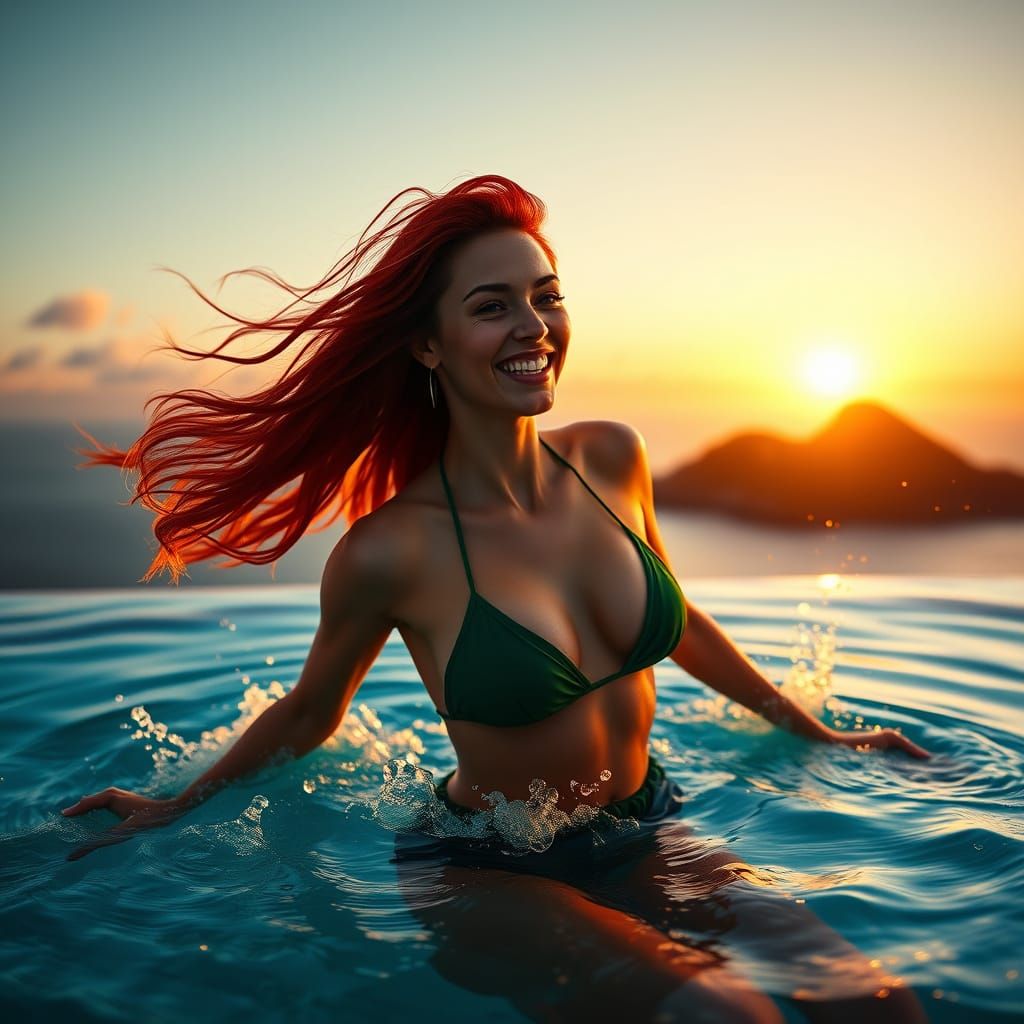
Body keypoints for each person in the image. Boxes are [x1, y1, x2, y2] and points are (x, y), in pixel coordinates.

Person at [62, 175, 931, 1022]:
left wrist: (816, 732)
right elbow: (308, 714)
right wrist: (176, 806)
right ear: (426, 344)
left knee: (873, 1002)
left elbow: (684, 625)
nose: (534, 327)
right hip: (487, 868)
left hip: (644, 826)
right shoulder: (391, 550)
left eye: (546, 297)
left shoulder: (611, 460)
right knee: (725, 1015)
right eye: (492, 306)